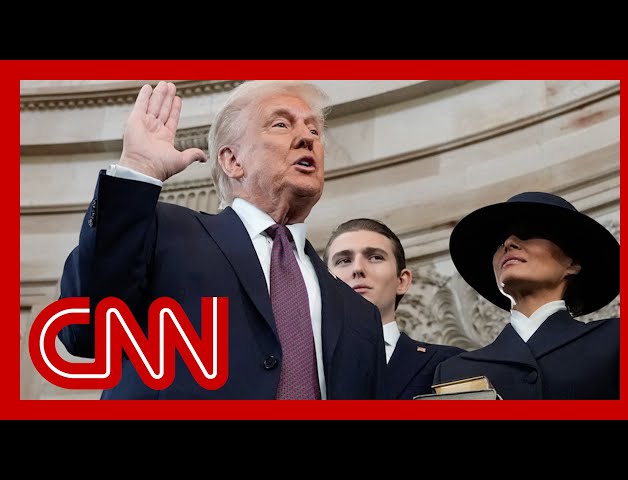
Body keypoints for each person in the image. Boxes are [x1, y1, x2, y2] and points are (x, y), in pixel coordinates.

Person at [57, 80, 387, 400]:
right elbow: (85, 329)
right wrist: (138, 170)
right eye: (281, 125)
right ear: (232, 161)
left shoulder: (360, 315)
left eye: (314, 130)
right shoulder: (164, 233)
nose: (307, 139)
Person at [433, 191, 620, 399]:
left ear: (572, 264)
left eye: (529, 233)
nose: (509, 243)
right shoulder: (455, 372)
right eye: (499, 243)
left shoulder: (617, 339)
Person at [323, 218, 465, 400]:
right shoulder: (301, 371)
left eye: (375, 257)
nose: (357, 268)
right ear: (324, 283)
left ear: (402, 281)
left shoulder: (450, 364)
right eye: (344, 260)